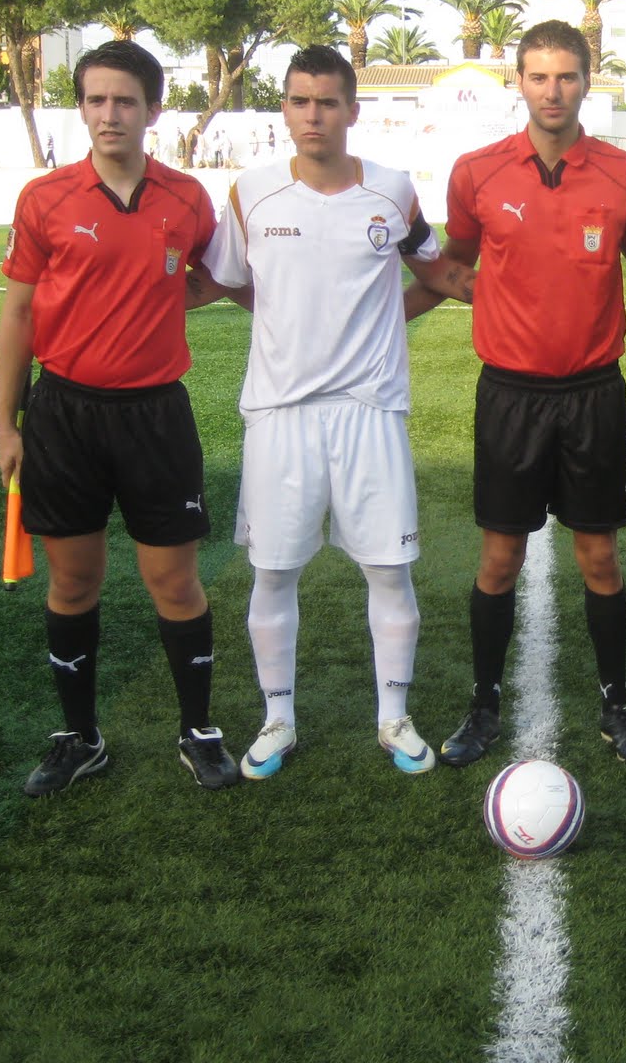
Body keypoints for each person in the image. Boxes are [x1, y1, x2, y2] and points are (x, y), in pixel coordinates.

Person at [201, 44, 466, 780]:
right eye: (298, 100)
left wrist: (399, 315)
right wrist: (288, 320)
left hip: (370, 410)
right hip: (280, 415)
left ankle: (394, 718)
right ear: (284, 109)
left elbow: (436, 271)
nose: (312, 114)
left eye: (326, 101)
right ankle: (278, 720)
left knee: (389, 569)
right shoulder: (251, 192)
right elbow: (229, 280)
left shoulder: (392, 191)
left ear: (353, 109)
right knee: (273, 575)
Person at [0, 40, 243, 796]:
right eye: (97, 100)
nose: (110, 115)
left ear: (153, 110)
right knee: (74, 581)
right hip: (63, 414)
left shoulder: (186, 199)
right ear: (82, 108)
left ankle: (198, 730)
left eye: (125, 101)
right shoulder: (46, 198)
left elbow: (215, 277)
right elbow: (19, 313)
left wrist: (162, 301)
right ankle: (81, 736)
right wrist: (7, 425)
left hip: (156, 415)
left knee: (174, 579)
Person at [432, 20, 626, 768]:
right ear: (518, 83)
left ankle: (617, 705)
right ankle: (483, 704)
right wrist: (501, 303)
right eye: (538, 77)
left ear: (587, 81)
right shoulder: (476, 173)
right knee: (499, 560)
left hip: (594, 395)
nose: (552, 90)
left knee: (599, 556)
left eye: (566, 76)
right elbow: (455, 264)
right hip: (510, 398)